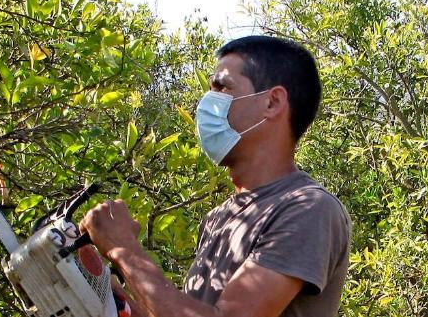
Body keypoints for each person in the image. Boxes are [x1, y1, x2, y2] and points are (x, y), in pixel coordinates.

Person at [80, 35, 352, 317]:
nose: (207, 103)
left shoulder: (309, 209)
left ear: (272, 102)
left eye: (222, 87)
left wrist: (124, 249)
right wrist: (106, 292)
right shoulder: (219, 217)